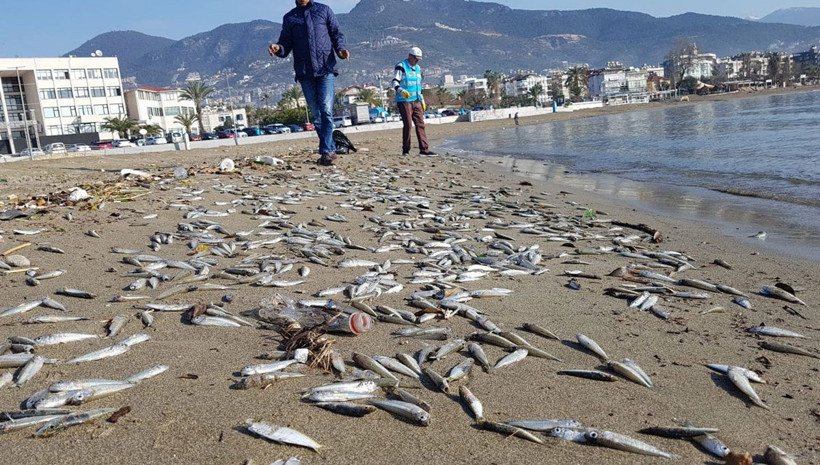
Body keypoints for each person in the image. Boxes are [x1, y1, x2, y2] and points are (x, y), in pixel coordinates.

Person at [268, 0, 350, 166]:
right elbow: (285, 45)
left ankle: (327, 151)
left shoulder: (324, 10)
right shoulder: (290, 17)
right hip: (305, 72)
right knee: (316, 115)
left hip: (326, 68)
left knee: (326, 110)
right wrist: (278, 48)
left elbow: (336, 34)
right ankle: (329, 148)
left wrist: (341, 50)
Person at [392, 47, 436, 157]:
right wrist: (401, 91)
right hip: (404, 101)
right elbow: (395, 82)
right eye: (416, 58)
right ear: (410, 56)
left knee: (420, 124)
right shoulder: (401, 66)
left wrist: (422, 99)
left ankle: (424, 150)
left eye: (419, 59)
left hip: (416, 100)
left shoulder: (418, 68)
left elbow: (418, 85)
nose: (417, 61)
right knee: (408, 124)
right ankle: (406, 150)